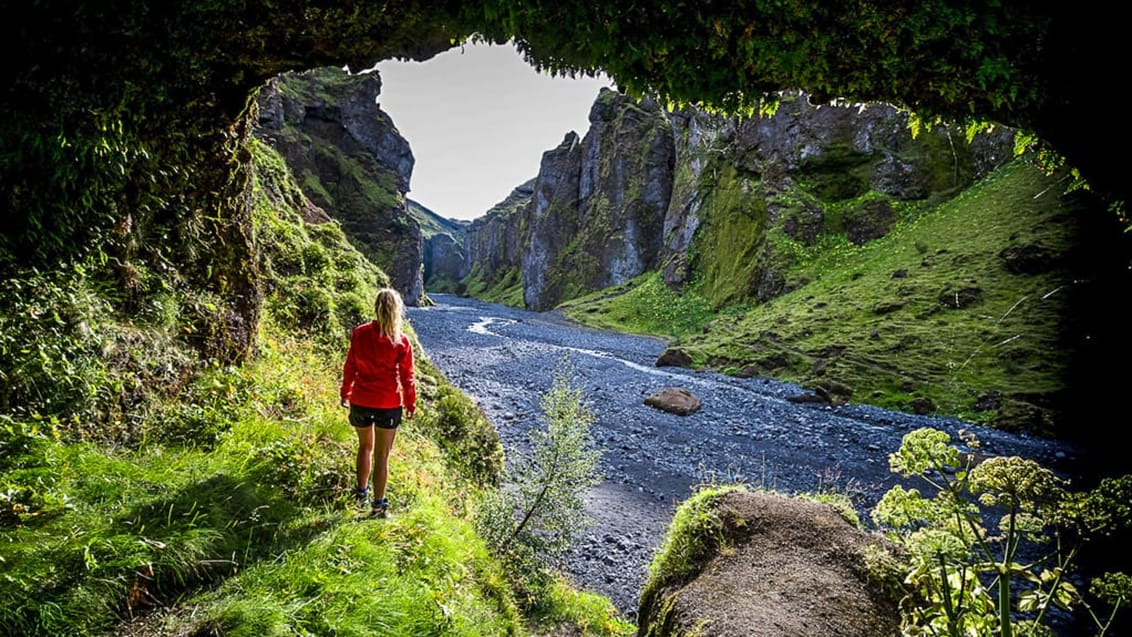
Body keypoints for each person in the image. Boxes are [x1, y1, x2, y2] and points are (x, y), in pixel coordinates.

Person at [340, 287, 416, 518]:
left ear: (376, 307)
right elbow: (407, 377)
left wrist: (346, 391)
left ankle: (361, 493)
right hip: (388, 403)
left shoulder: (360, 333)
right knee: (382, 455)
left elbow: (350, 365)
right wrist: (411, 404)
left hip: (361, 399)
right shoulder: (400, 341)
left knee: (365, 447)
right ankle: (377, 507)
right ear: (396, 310)